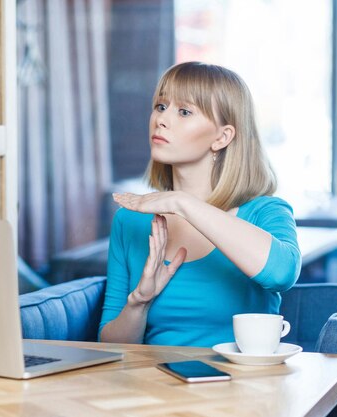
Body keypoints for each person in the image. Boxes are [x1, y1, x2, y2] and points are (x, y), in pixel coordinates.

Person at [99, 62, 301, 347]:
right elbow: (110, 347)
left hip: (243, 387)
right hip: (155, 387)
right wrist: (139, 302)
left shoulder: (264, 212)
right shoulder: (130, 221)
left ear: (222, 137)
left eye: (184, 111)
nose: (162, 120)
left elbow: (282, 273)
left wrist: (182, 203)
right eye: (160, 106)